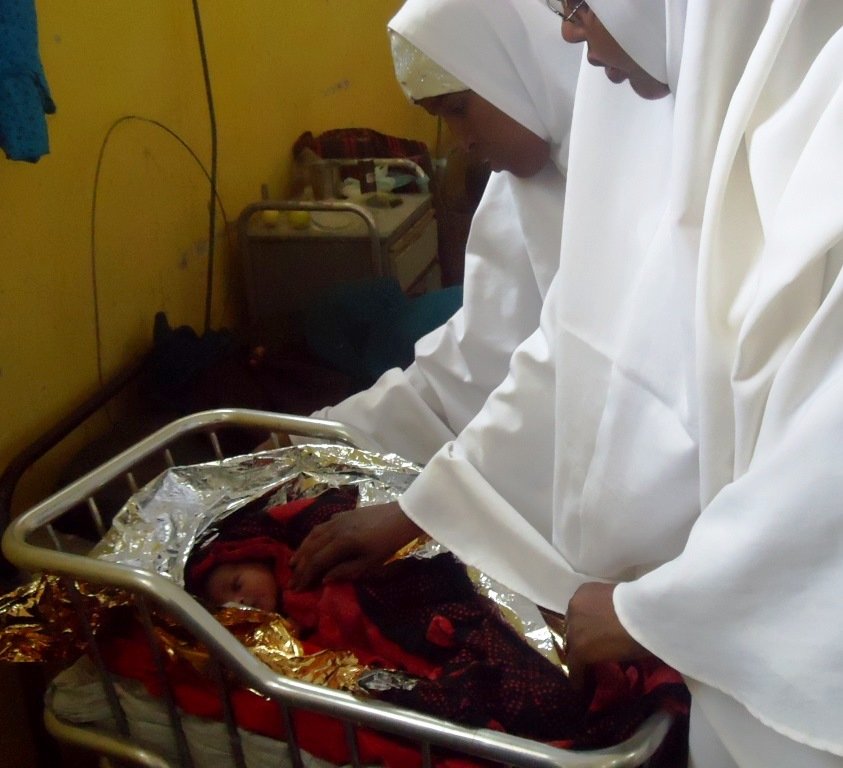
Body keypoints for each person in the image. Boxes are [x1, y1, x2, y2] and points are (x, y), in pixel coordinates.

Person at [293, 1, 843, 765]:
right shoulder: (674, 124)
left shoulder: (792, 130)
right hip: (718, 621)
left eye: (579, 4)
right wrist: (420, 500)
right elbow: (572, 350)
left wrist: (664, 609)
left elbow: (819, 460)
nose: (568, 33)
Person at [308, 0, 581, 465]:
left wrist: (434, 503)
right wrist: (327, 436)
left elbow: (573, 386)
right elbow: (478, 363)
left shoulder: (633, 177)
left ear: (515, 65)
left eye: (460, 109)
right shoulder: (516, 190)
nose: (464, 141)